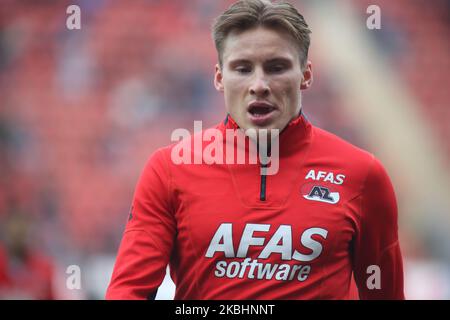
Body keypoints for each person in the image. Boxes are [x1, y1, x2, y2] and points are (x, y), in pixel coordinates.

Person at [106, 0, 404, 299]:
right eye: (243, 68)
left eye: (276, 67)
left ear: (306, 75)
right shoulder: (169, 169)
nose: (259, 84)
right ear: (220, 78)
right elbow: (128, 291)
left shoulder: (362, 175)